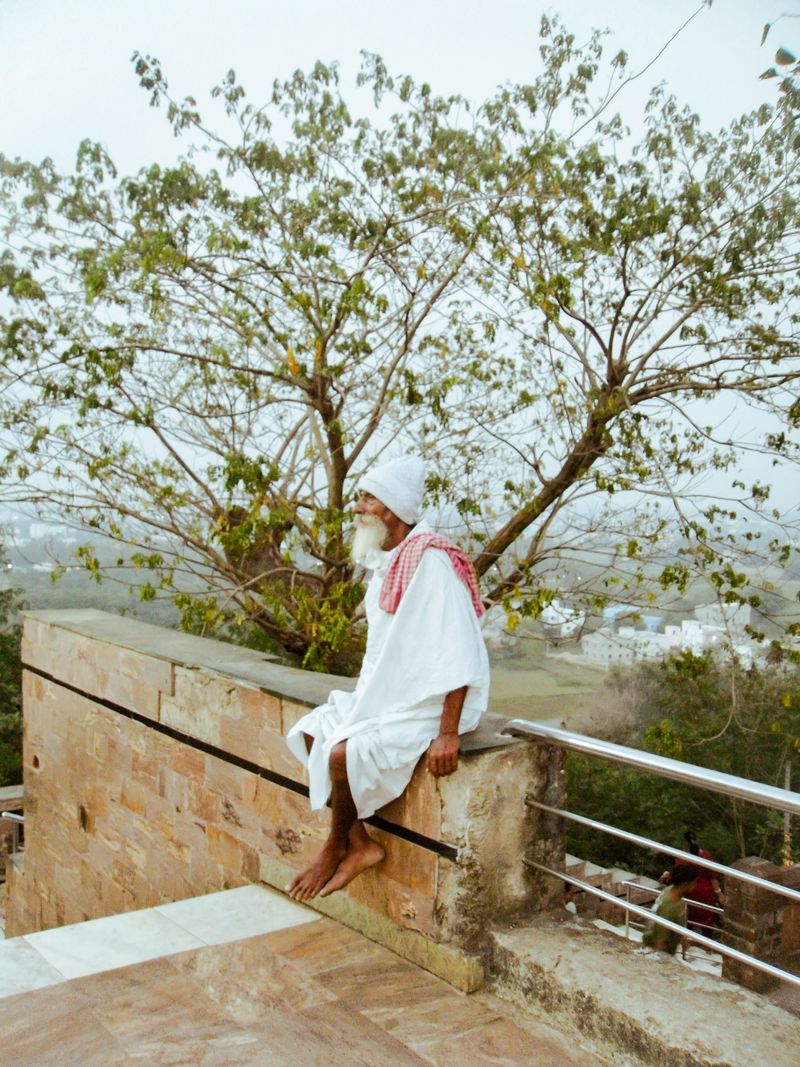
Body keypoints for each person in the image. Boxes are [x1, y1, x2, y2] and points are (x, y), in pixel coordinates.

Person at [284, 455, 490, 902]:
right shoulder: (392, 560)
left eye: (367, 498)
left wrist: (448, 732)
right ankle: (359, 843)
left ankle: (334, 847)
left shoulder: (430, 564)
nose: (357, 508)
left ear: (392, 510)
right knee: (311, 733)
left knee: (342, 754)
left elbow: (457, 649)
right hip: (389, 697)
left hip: (430, 705)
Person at [642, 864, 698, 956]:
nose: (695, 886)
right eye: (694, 882)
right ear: (685, 884)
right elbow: (660, 943)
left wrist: (683, 938)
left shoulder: (668, 890)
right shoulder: (670, 906)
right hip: (662, 951)